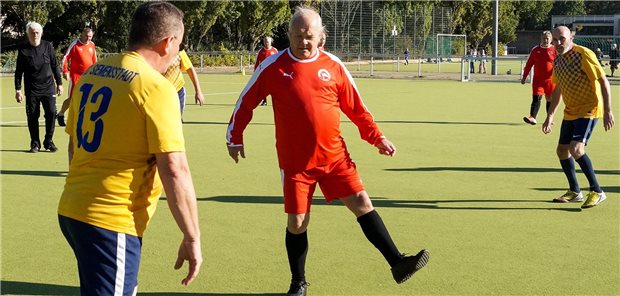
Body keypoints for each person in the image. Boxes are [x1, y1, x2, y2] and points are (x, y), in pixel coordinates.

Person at [226, 7, 429, 296]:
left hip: (335, 158)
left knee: (361, 202)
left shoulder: (333, 66)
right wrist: (234, 136)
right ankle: (298, 282)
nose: (303, 42)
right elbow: (245, 102)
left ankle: (397, 262)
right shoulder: (274, 67)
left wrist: (377, 138)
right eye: (297, 36)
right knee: (297, 222)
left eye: (309, 36)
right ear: (289, 35)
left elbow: (357, 109)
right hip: (296, 163)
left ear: (321, 36)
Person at [57, 2, 202, 295]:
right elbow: (174, 169)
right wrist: (192, 237)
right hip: (111, 221)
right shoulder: (156, 88)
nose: (178, 53)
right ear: (168, 42)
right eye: (180, 43)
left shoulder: (94, 73)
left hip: (72, 209)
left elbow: (74, 146)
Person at [542, 26, 614, 209]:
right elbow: (558, 88)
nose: (558, 43)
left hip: (589, 109)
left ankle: (597, 191)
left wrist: (607, 110)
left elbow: (603, 80)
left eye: (562, 39)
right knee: (561, 150)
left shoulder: (583, 54)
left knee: (576, 148)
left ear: (571, 37)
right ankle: (575, 191)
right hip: (571, 111)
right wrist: (550, 115)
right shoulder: (558, 59)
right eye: (555, 40)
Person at [14, 21, 63, 153]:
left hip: (48, 87)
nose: (35, 35)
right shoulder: (23, 50)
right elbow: (18, 72)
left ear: (41, 33)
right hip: (32, 89)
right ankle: (35, 143)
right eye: (32, 33)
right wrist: (18, 90)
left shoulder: (48, 46)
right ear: (28, 34)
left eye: (37, 32)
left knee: (52, 113)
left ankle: (49, 141)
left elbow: (54, 66)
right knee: (32, 116)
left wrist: (59, 83)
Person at [57, 27, 97, 127]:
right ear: (82, 35)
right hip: (76, 76)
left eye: (90, 37)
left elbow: (94, 60)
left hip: (89, 77)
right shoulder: (75, 45)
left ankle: (82, 118)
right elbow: (65, 58)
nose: (88, 39)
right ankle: (61, 114)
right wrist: (65, 71)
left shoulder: (92, 45)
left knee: (88, 98)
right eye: (87, 36)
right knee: (72, 98)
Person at [521, 31, 556, 125]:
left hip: (551, 80)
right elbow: (529, 64)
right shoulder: (535, 50)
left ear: (551, 39)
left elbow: (561, 63)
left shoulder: (554, 49)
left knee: (550, 99)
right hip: (538, 80)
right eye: (544, 38)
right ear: (541, 38)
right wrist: (524, 77)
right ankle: (532, 117)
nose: (546, 40)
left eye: (548, 38)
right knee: (536, 98)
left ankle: (549, 118)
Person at [163, 43, 204, 116]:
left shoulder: (179, 50)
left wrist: (198, 91)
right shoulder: (153, 52)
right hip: (160, 93)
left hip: (178, 92)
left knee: (177, 120)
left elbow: (190, 69)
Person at [253, 36, 278, 106]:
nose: (266, 43)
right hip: (264, 72)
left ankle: (276, 101)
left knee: (275, 87)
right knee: (263, 88)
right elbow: (257, 62)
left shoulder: (274, 50)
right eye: (265, 42)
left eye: (267, 42)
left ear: (270, 42)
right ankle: (264, 101)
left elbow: (278, 61)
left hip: (273, 73)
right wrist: (255, 72)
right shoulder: (261, 51)